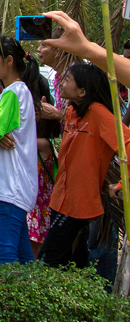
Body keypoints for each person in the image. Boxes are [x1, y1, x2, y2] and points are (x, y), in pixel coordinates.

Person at [41, 63, 130, 268]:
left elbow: (127, 144)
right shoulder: (73, 112)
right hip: (60, 199)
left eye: (67, 80)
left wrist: (121, 185)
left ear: (82, 91)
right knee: (73, 264)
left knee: (47, 262)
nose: (61, 83)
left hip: (77, 205)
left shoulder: (99, 114)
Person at [0, 35, 39, 264]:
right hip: (8, 187)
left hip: (9, 188)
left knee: (2, 254)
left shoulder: (12, 94)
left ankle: (10, 301)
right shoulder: (12, 92)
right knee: (23, 257)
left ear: (8, 61)